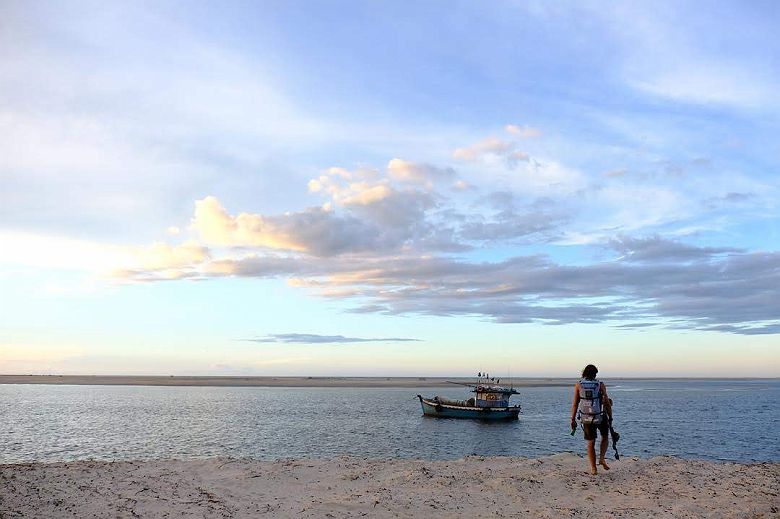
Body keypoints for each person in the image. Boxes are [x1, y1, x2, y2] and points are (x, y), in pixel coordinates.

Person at [570, 364, 613, 475]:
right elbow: (607, 403)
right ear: (595, 374)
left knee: (590, 443)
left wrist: (572, 419)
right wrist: (610, 417)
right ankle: (602, 458)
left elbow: (575, 404)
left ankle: (593, 468)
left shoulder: (578, 385)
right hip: (600, 415)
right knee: (605, 436)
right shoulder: (600, 384)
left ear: (584, 373)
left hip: (586, 417)